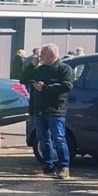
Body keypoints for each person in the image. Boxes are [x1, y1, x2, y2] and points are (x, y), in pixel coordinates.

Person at [29, 43, 73, 179]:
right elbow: (23, 79)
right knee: (43, 138)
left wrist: (46, 87)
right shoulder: (40, 69)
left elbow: (67, 86)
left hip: (55, 109)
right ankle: (49, 165)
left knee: (59, 139)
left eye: (43, 54)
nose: (40, 56)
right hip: (39, 109)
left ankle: (64, 167)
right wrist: (32, 65)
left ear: (52, 56)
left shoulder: (64, 69)